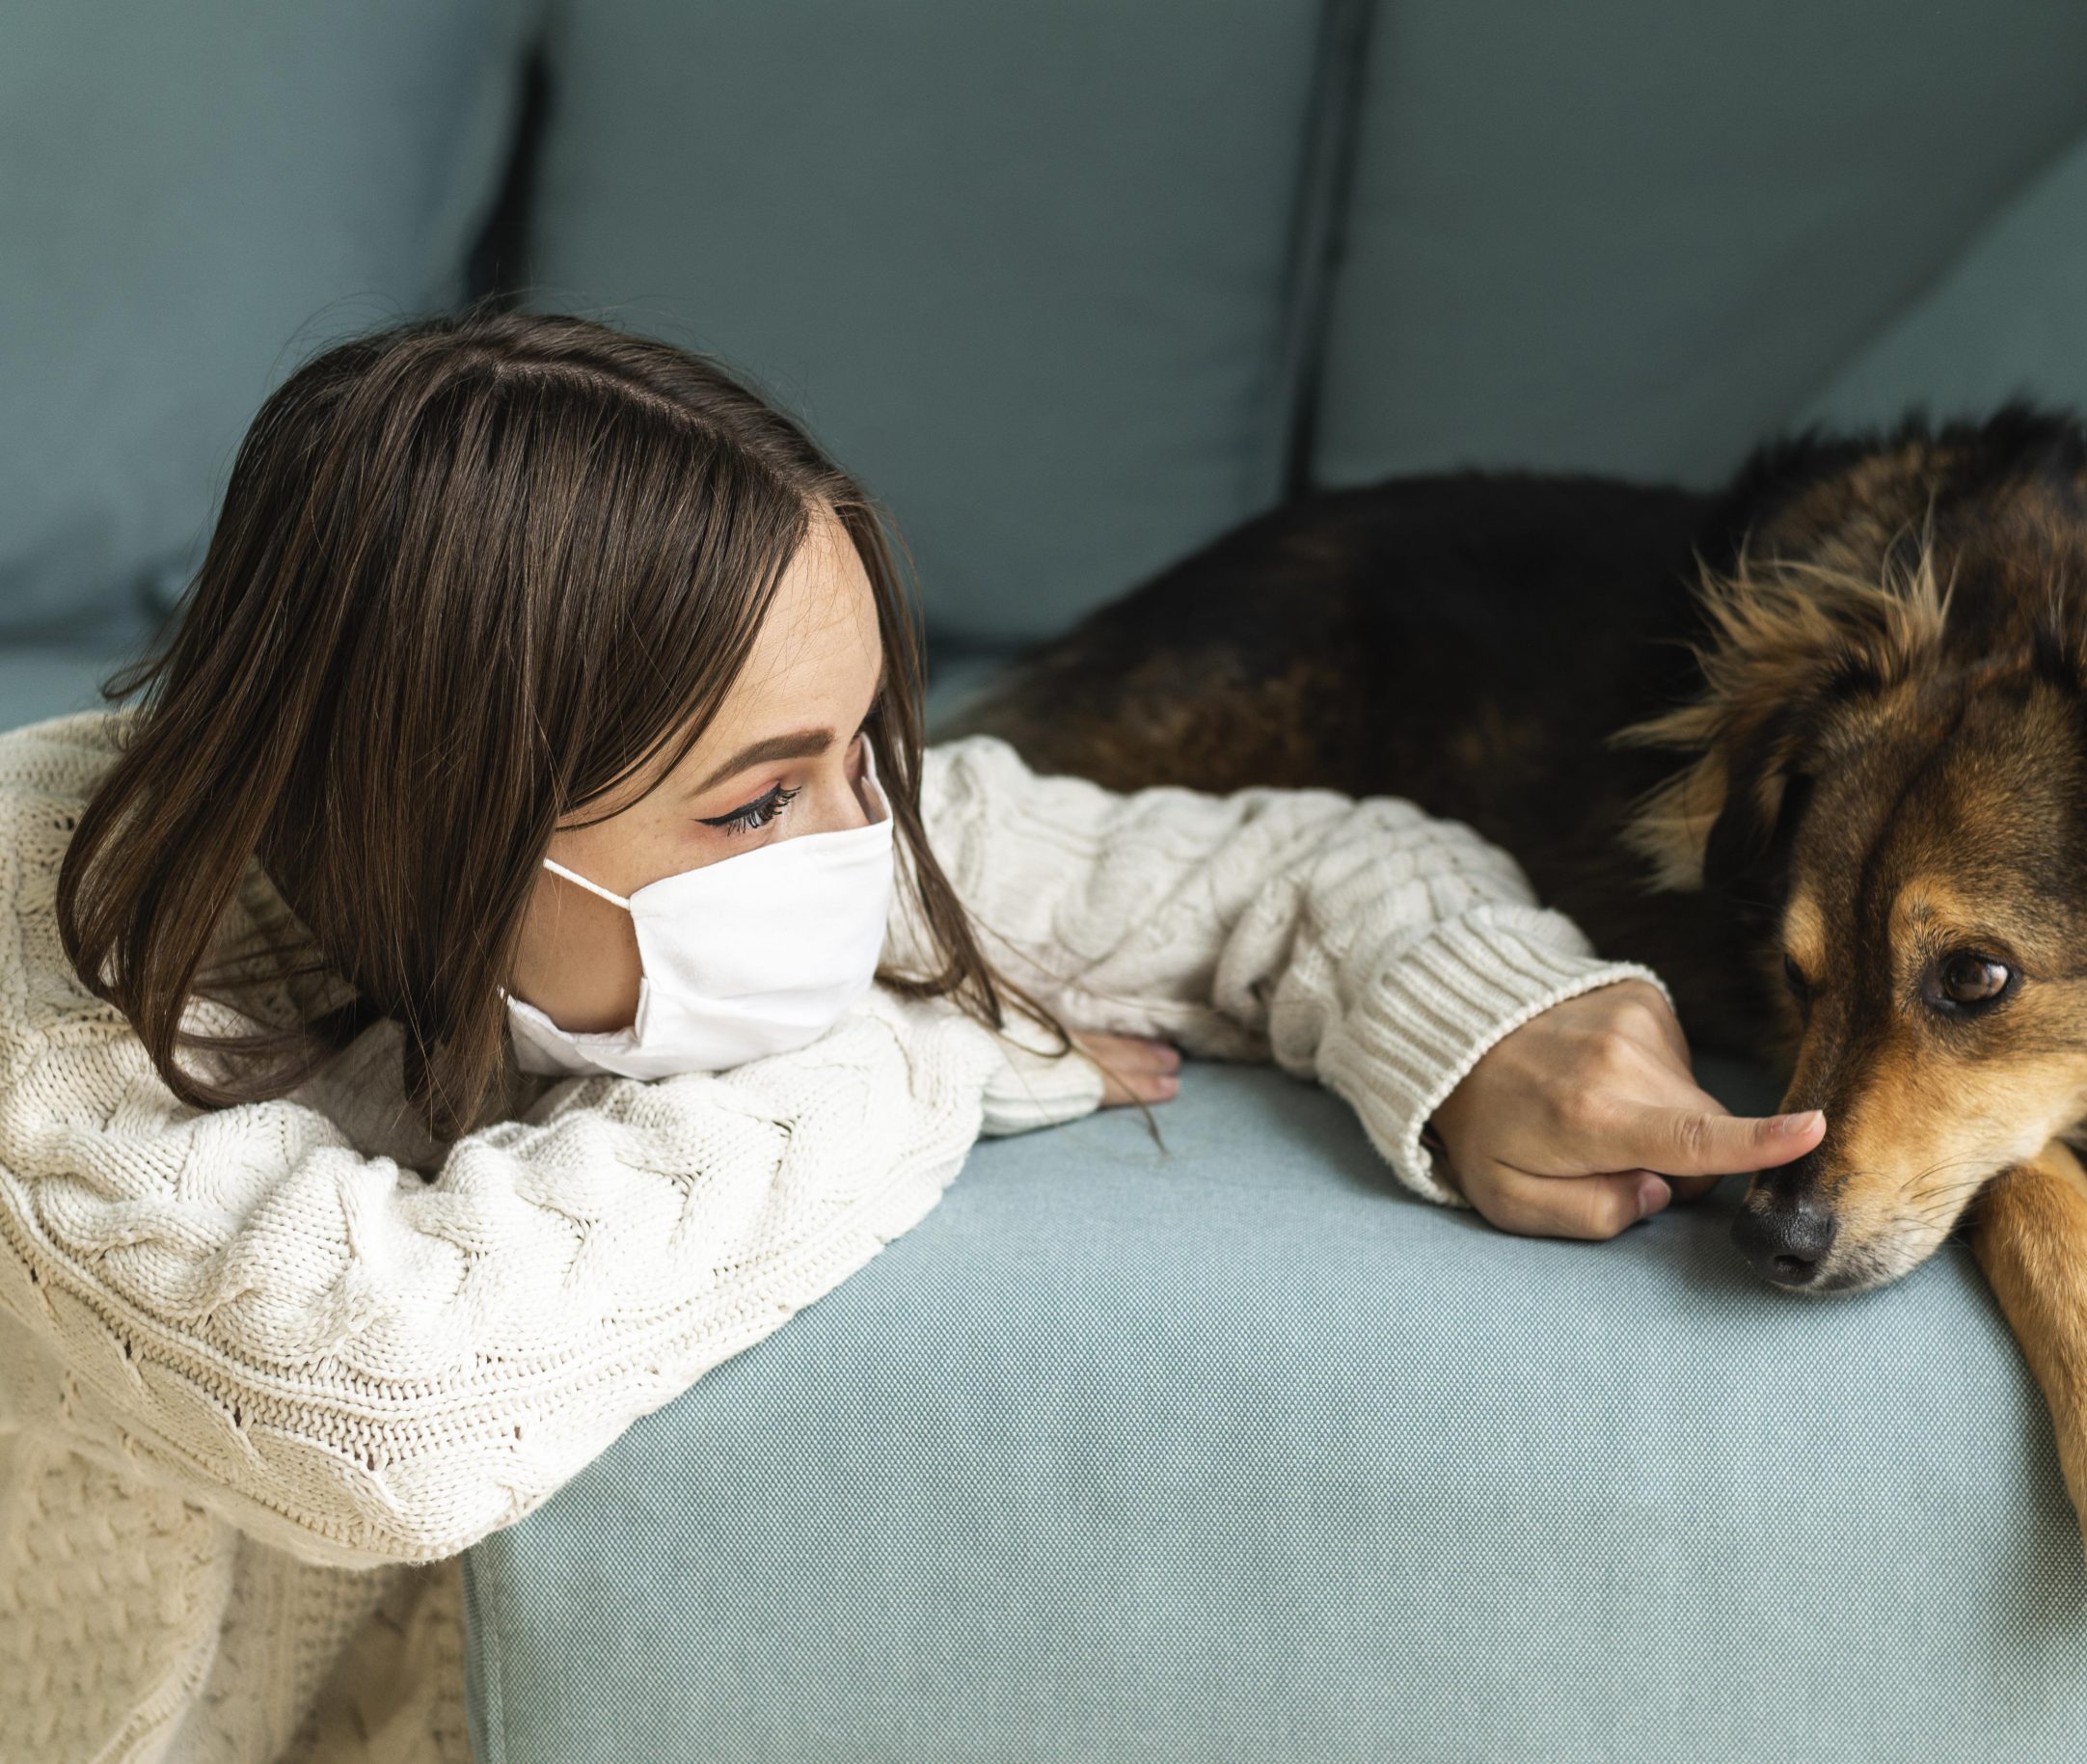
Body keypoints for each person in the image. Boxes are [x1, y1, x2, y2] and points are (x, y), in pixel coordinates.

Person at [0, 309, 1825, 1763]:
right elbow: (377, 1394)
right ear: (444, 809)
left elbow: (1293, 865)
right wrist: (943, 1051)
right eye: (752, 803)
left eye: (859, 746)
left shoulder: (771, 828)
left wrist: (1506, 1022)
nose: (858, 849)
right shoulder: (54, 982)